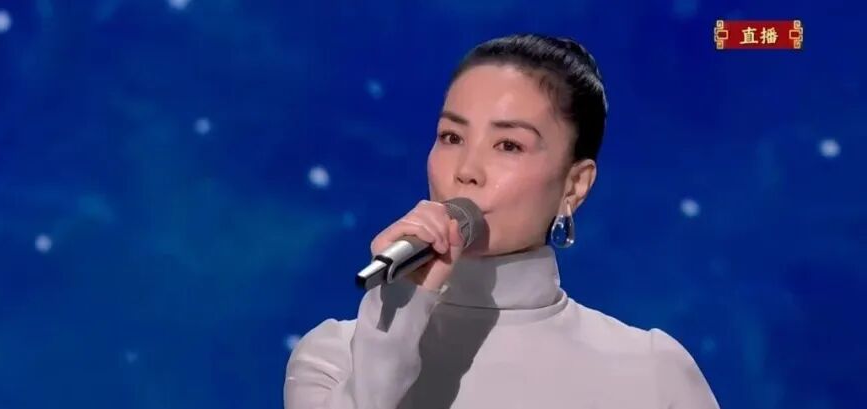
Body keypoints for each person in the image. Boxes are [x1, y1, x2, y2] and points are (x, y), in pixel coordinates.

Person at [283, 34, 720, 409]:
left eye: (508, 145)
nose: (467, 170)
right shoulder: (335, 359)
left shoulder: (651, 373)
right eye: (451, 137)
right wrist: (398, 307)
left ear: (574, 185)